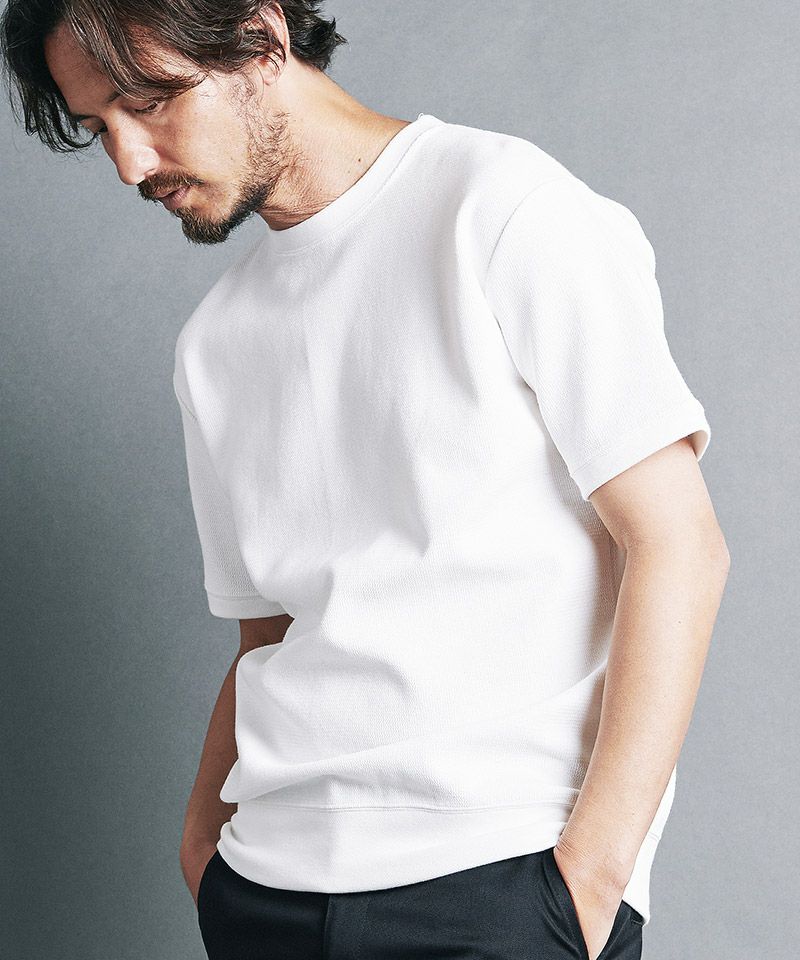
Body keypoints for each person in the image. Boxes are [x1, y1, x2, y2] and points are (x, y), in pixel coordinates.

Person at [1, 2, 731, 958]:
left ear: (262, 38)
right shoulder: (215, 343)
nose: (131, 164)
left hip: (498, 877)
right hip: (266, 887)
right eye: (99, 127)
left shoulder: (500, 207)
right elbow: (268, 631)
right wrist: (203, 845)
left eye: (150, 102)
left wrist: (592, 875)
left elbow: (678, 544)